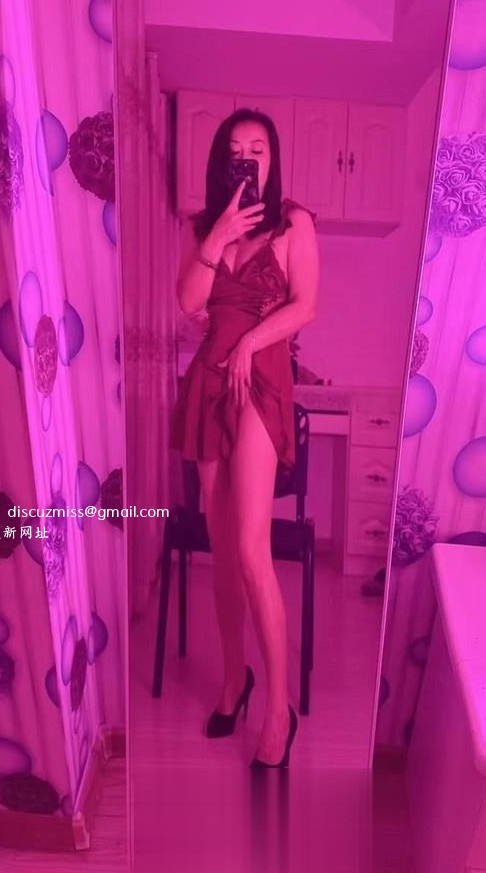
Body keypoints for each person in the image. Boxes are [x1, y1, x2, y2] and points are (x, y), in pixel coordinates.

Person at [170, 109, 319, 768]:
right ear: (221, 161)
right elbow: (187, 302)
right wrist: (219, 235)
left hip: (259, 380)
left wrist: (252, 343)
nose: (248, 158)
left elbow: (306, 305)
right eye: (236, 150)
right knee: (221, 549)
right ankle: (235, 679)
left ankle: (279, 708)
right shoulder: (205, 227)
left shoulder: (294, 222)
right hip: (209, 381)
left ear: (273, 158)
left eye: (259, 148)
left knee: (253, 550)